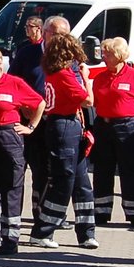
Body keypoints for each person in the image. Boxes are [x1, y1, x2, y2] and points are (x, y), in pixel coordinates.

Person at [29, 33, 98, 250]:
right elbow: (88, 100)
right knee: (63, 180)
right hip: (63, 126)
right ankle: (42, 230)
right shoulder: (63, 74)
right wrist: (86, 79)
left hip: (70, 124)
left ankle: (86, 232)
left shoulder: (60, 72)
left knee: (81, 181)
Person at [0, 46, 43, 253]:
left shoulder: (14, 83)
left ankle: (11, 238)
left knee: (11, 187)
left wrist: (30, 127)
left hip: (8, 138)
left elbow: (39, 103)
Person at [91, 36, 134, 228]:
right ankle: (102, 211)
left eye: (108, 53)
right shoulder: (100, 77)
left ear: (119, 55)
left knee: (131, 169)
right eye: (103, 53)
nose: (104, 57)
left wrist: (130, 115)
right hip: (103, 126)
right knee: (102, 169)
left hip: (128, 126)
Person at [10, 16, 47, 95]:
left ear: (38, 28)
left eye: (29, 26)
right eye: (25, 26)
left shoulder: (45, 45)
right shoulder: (23, 46)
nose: (26, 28)